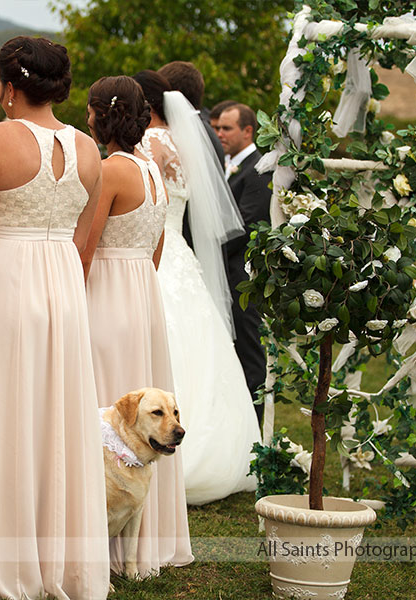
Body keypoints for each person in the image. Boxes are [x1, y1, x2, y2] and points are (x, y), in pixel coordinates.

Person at [0, 35, 110, 600]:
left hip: (5, 274)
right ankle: (59, 555)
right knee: (58, 411)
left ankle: (0, 550)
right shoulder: (90, 150)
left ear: (9, 85)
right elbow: (83, 239)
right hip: (64, 280)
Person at [81, 75, 193, 577]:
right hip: (141, 296)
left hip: (106, 292)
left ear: (101, 116)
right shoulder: (152, 171)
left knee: (108, 409)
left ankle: (100, 544)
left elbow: (85, 245)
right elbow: (156, 249)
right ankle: (142, 544)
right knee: (140, 410)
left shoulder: (111, 171)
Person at [135, 70, 261, 506]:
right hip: (182, 255)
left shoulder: (147, 145)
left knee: (166, 340)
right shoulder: (188, 146)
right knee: (198, 345)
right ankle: (219, 450)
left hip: (155, 249)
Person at [217, 103, 272, 418]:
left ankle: (256, 420)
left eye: (227, 128)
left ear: (248, 130)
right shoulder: (228, 165)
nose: (220, 133)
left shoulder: (258, 169)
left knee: (250, 354)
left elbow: (246, 226)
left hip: (242, 279)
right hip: (223, 275)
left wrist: (206, 251)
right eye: (219, 128)